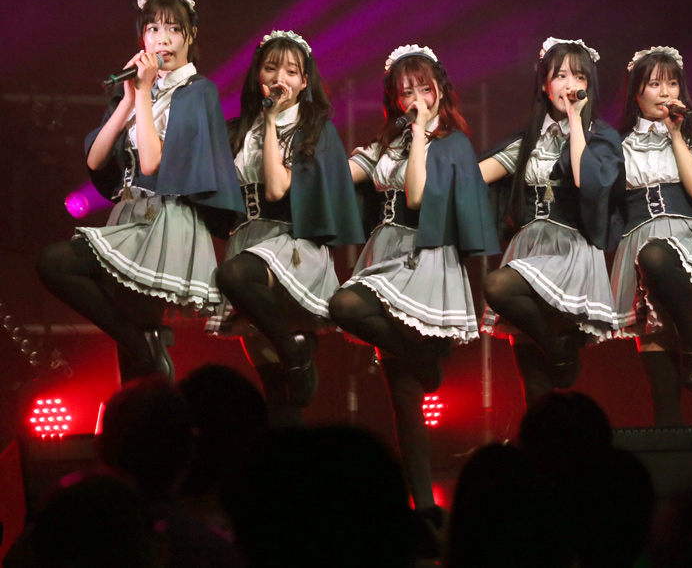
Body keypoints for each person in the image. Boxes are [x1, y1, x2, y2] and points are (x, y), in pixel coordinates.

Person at [36, 0, 243, 383]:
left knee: (57, 264)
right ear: (142, 39)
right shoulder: (138, 90)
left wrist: (145, 94)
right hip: (130, 215)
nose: (163, 39)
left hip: (166, 221)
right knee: (132, 343)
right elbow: (95, 159)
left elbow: (152, 163)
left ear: (191, 36)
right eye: (153, 29)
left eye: (173, 29)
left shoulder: (197, 90)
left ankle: (145, 353)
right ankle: (146, 356)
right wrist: (130, 98)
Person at [327, 44, 498, 522]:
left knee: (350, 313)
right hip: (384, 254)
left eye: (424, 88)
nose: (416, 98)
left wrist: (421, 132)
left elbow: (418, 196)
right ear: (394, 99)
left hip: (424, 259)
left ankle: (424, 506)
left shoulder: (450, 143)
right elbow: (341, 176)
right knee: (402, 393)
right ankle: (423, 507)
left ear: (440, 89)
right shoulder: (387, 143)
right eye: (406, 92)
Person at [207, 30, 364, 424]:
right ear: (257, 75)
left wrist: (272, 118)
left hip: (291, 244)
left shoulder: (314, 129)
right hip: (248, 240)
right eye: (271, 69)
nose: (280, 79)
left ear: (304, 82)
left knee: (232, 276)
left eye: (291, 72)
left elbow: (277, 188)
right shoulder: (238, 130)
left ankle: (294, 351)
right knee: (279, 394)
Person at [479, 38, 624, 406]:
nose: (569, 85)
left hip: (569, 252)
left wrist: (575, 119)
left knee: (497, 285)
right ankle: (556, 351)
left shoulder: (599, 136)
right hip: (527, 248)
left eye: (579, 77)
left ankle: (558, 350)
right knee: (534, 384)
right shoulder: (528, 140)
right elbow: (474, 178)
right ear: (545, 84)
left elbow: (585, 178)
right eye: (560, 76)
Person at [608, 46, 692, 426]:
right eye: (655, 84)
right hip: (638, 239)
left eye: (672, 83)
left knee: (654, 255)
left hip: (691, 238)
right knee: (654, 333)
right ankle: (669, 435)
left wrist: (676, 134)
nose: (665, 92)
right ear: (636, 93)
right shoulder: (619, 144)